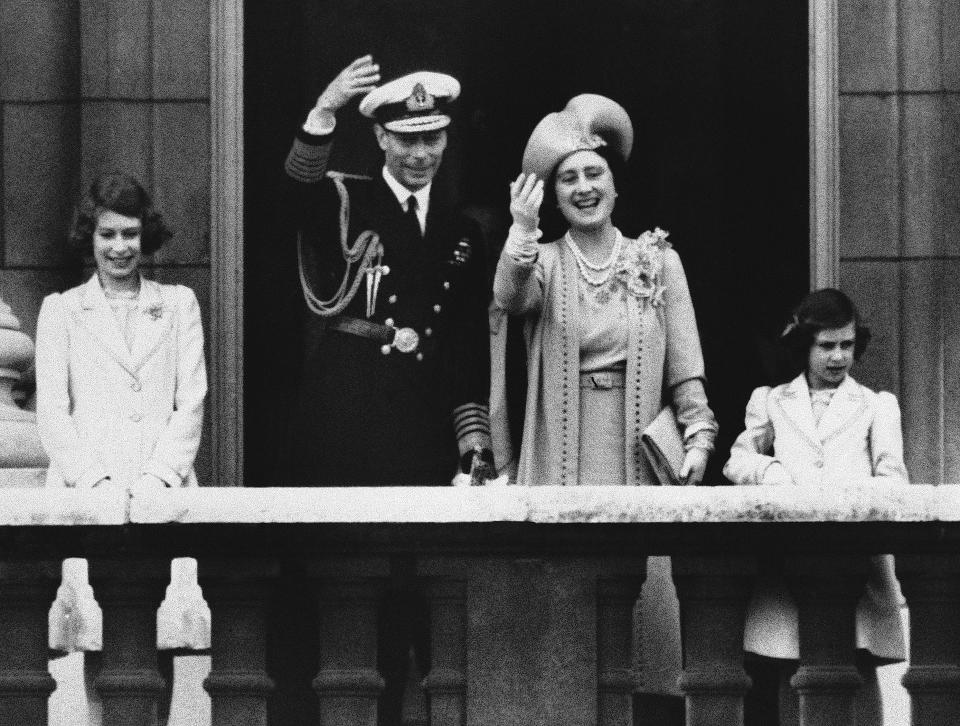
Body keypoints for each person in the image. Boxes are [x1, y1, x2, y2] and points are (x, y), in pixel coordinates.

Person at [492, 94, 718, 721]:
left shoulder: (658, 261)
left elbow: (687, 374)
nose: (583, 187)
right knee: (567, 625)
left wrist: (698, 441)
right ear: (553, 194)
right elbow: (509, 297)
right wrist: (521, 228)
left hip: (637, 459)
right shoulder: (545, 263)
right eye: (568, 178)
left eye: (594, 173)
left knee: (638, 630)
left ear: (615, 184)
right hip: (561, 454)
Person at [35, 173, 208, 724]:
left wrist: (159, 479)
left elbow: (192, 400)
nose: (119, 248)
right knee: (93, 649)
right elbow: (53, 415)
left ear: (146, 236)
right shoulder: (61, 311)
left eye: (130, 234)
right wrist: (98, 486)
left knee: (157, 651)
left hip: (162, 494)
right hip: (89, 498)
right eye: (107, 233)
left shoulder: (178, 305)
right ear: (89, 235)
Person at [283, 55, 494, 487]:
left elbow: (466, 340)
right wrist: (323, 112)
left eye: (432, 138)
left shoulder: (462, 229)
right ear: (381, 137)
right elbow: (293, 198)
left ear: (446, 138)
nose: (420, 155)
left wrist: (474, 441)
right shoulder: (346, 201)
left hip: (427, 415)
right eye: (405, 140)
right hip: (347, 406)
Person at [724, 288, 907, 725]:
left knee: (856, 675)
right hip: (793, 560)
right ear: (804, 346)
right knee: (798, 676)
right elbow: (737, 459)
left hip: (855, 563)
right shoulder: (772, 401)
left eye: (846, 345)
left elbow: (894, 479)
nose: (838, 357)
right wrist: (771, 472)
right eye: (826, 346)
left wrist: (856, 498)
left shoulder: (876, 406)